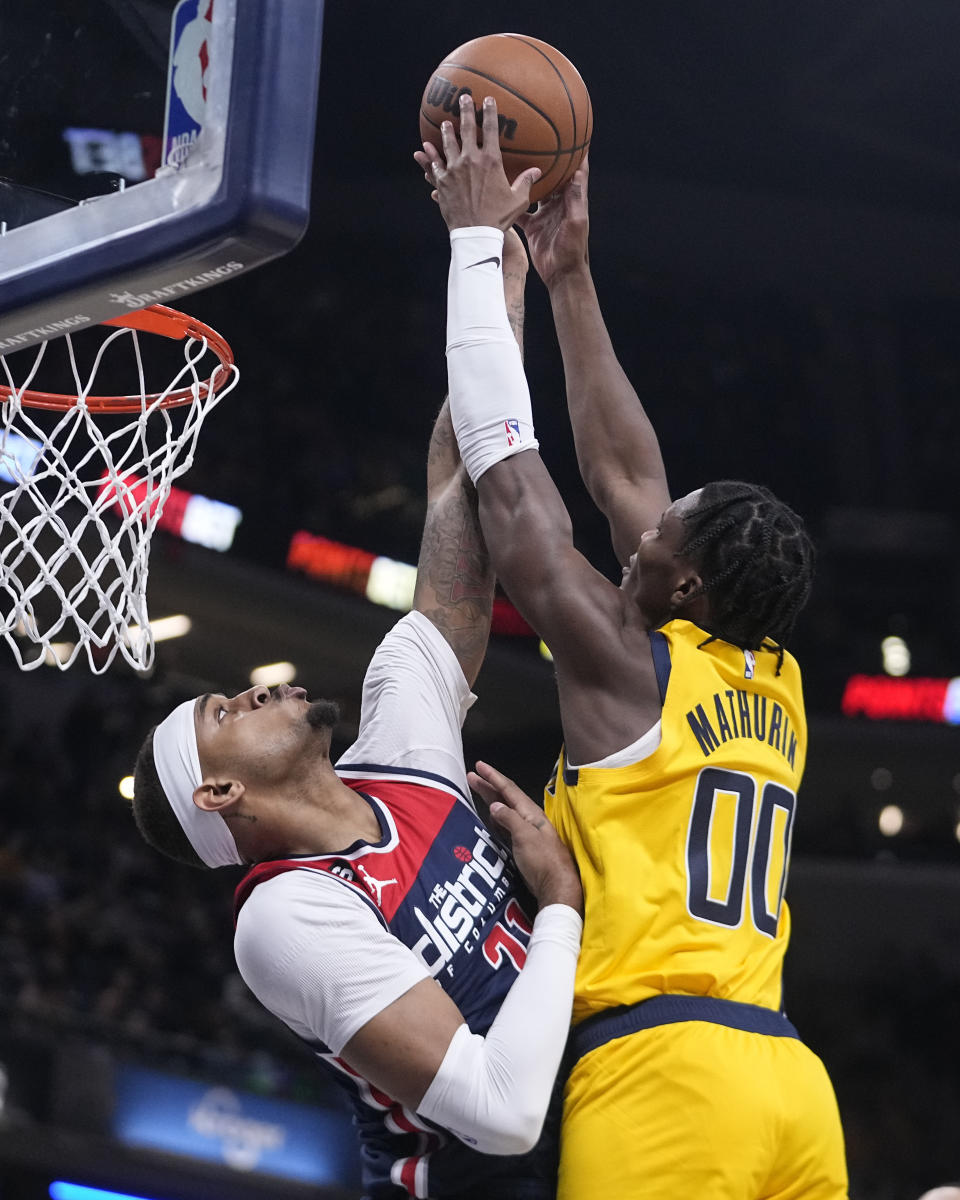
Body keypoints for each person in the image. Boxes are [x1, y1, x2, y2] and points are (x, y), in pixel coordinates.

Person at [416, 92, 848, 1198]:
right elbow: (626, 480)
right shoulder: (774, 675)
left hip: (665, 1072)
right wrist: (567, 277)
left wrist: (476, 245)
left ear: (686, 581)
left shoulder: (627, 662)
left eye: (659, 537)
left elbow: (514, 495)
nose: (640, 531)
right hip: (791, 1082)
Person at [130, 238, 584, 1200]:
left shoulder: (404, 750)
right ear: (221, 790)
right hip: (480, 1177)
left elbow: (460, 482)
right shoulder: (286, 916)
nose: (251, 688)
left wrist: (490, 280)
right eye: (225, 710)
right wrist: (560, 912)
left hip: (578, 1104)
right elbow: (499, 1114)